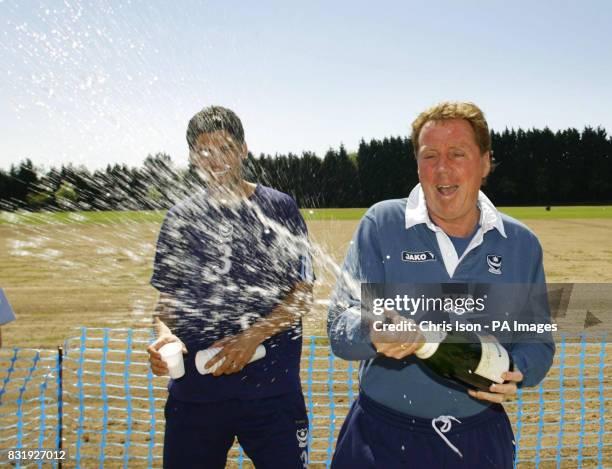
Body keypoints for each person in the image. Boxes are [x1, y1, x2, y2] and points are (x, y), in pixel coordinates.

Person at [327, 101, 555, 468]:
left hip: (478, 440)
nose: (442, 168)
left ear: (485, 162)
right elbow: (339, 328)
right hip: (379, 437)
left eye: (457, 153)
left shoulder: (521, 244)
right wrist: (371, 329)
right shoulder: (382, 224)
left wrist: (519, 367)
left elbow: (538, 340)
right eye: (429, 155)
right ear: (417, 164)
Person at [146, 106, 314, 469]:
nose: (215, 159)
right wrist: (164, 338)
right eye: (204, 151)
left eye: (224, 148)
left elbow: (302, 293)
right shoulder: (180, 218)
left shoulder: (279, 207)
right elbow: (167, 302)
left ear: (243, 150)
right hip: (195, 395)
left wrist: (252, 337)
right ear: (192, 157)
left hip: (271, 393)